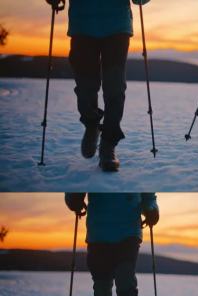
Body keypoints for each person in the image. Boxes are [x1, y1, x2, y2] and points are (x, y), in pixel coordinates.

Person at [45, 0, 151, 172]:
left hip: (117, 24)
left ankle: (108, 144)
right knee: (85, 86)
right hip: (83, 24)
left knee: (115, 87)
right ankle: (91, 123)